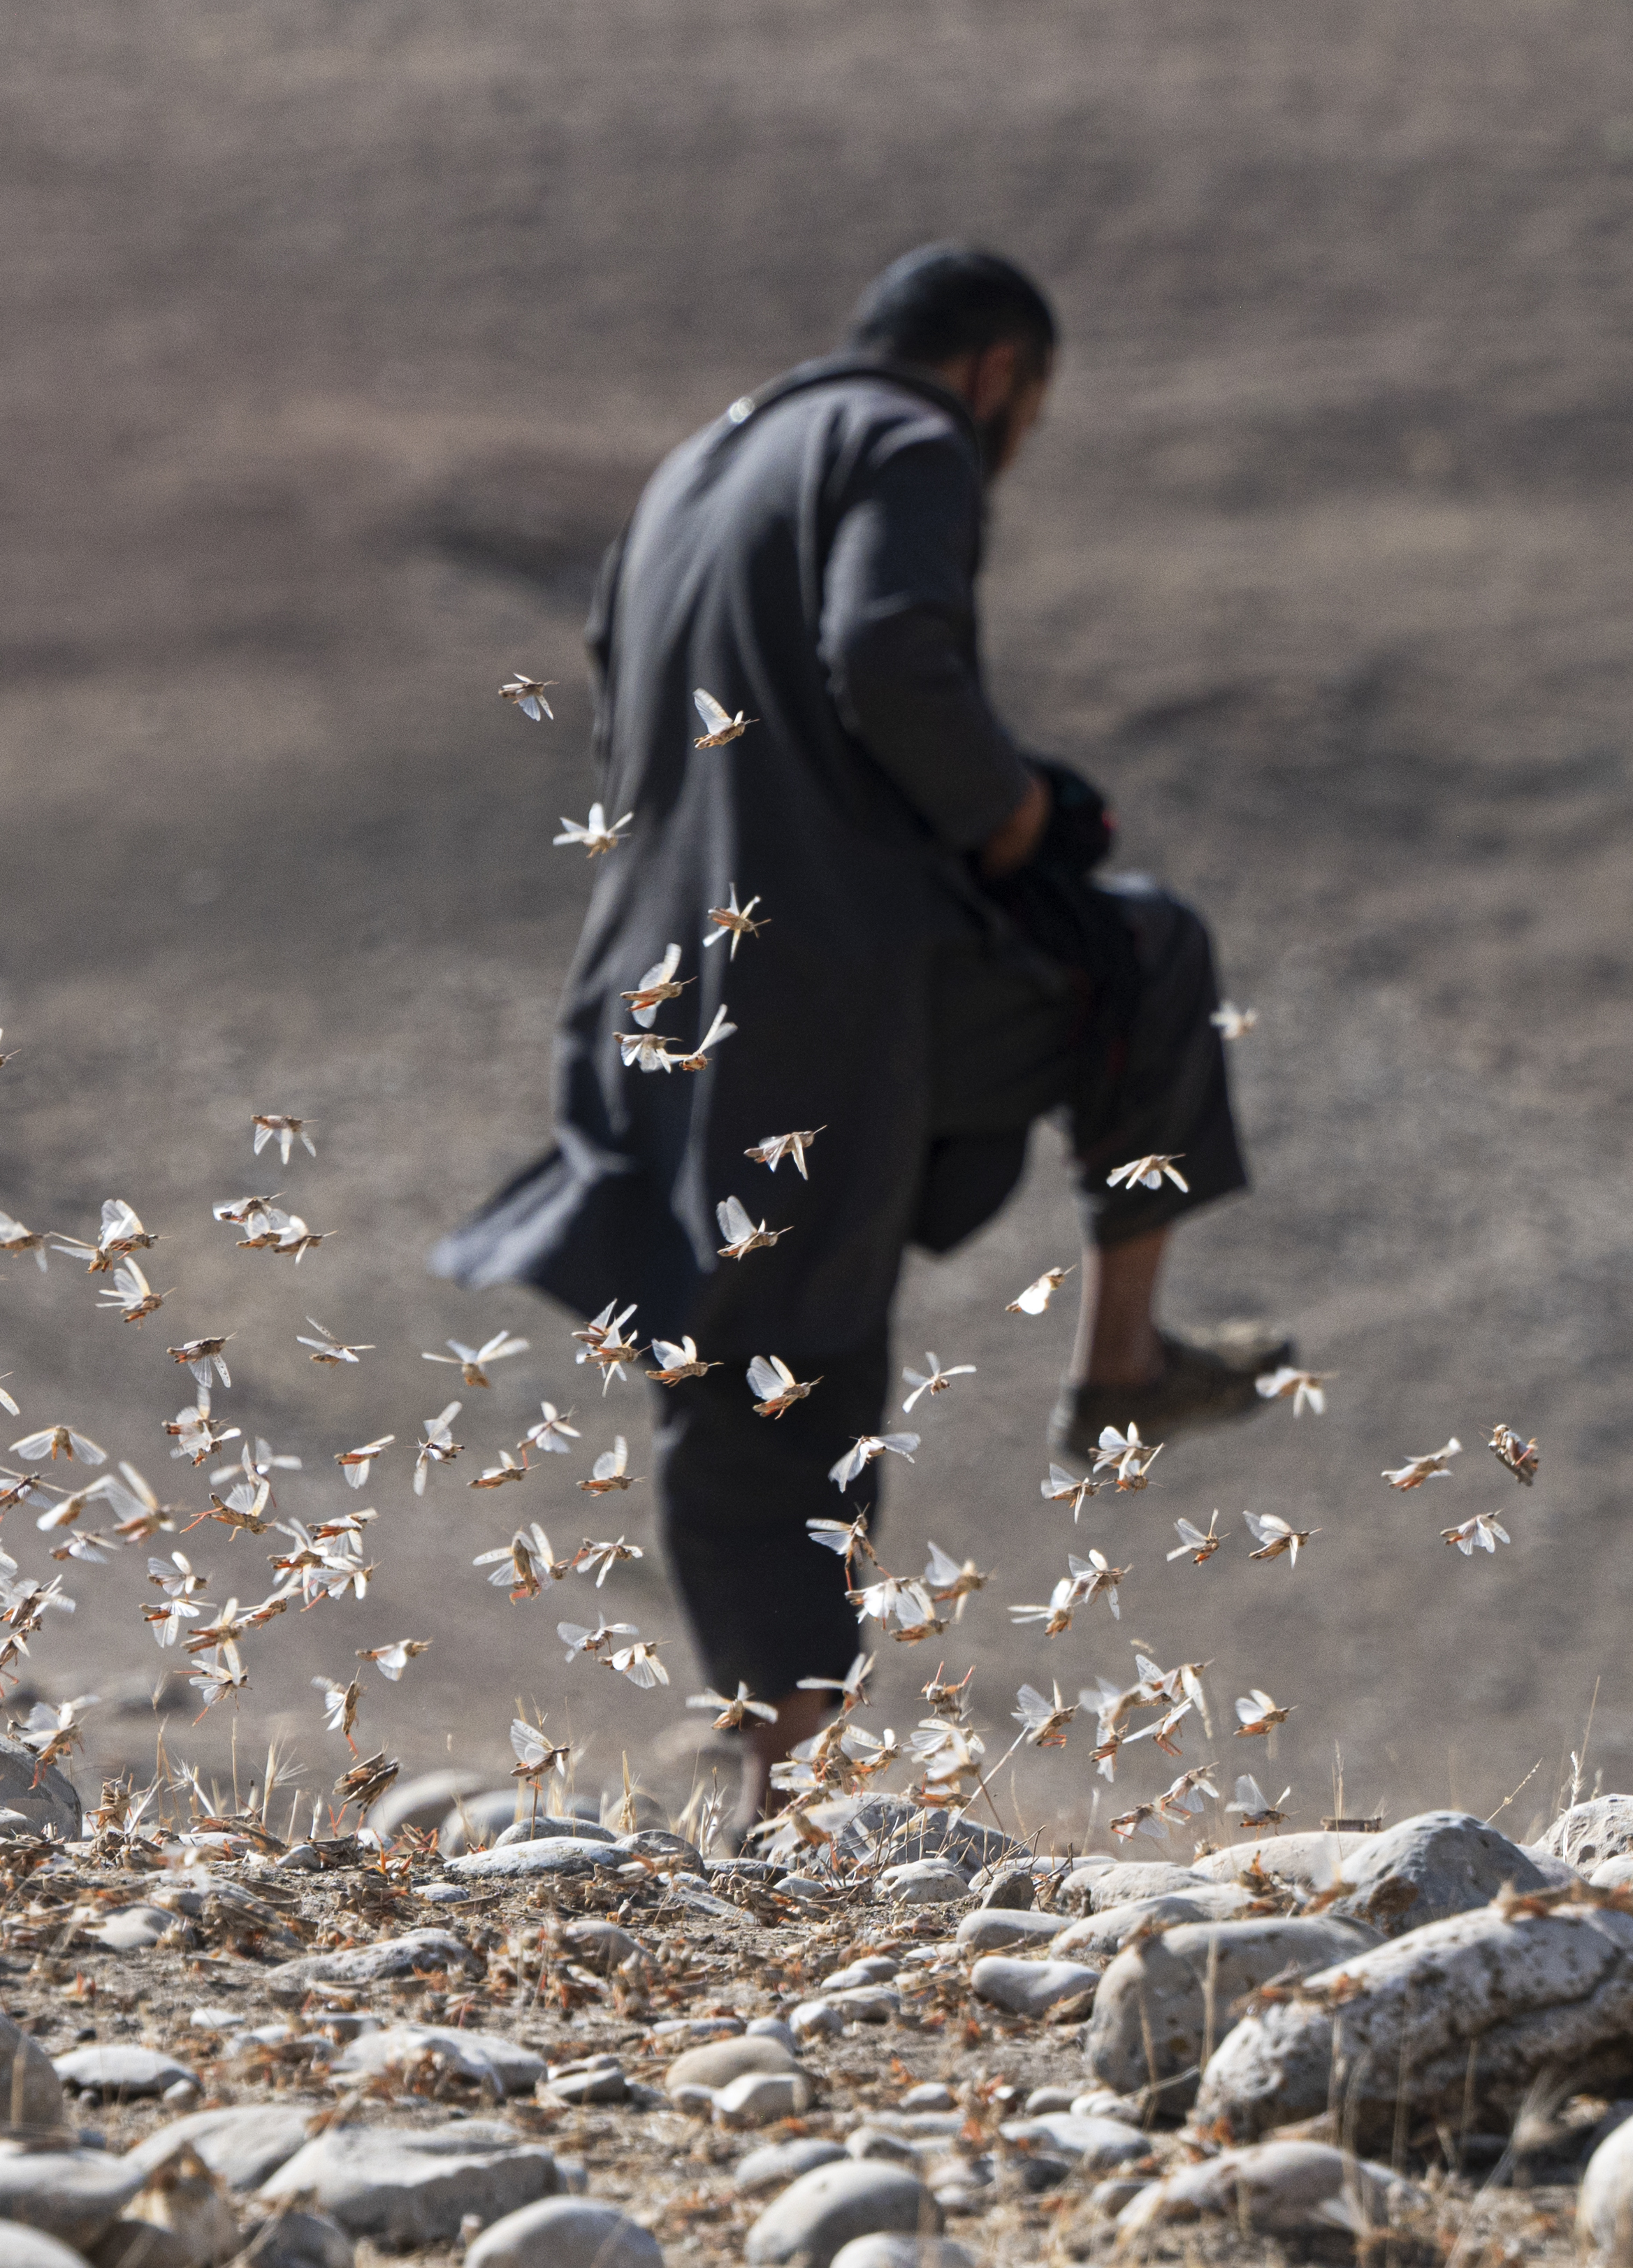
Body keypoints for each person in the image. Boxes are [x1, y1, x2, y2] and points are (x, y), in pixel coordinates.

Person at [433, 245, 1287, 1807]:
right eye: (1024, 412)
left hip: (658, 975)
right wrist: (1016, 813)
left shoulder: (696, 467)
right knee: (1145, 954)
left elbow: (627, 688)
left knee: (743, 1334)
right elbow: (884, 649)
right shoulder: (905, 441)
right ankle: (1118, 1360)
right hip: (826, 971)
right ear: (996, 375)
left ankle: (759, 1757)